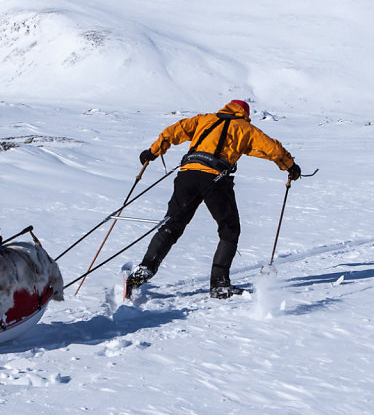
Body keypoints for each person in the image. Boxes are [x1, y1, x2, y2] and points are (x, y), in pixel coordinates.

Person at [126, 99, 300, 299]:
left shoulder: (204, 119)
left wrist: (153, 152)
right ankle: (219, 285)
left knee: (172, 225)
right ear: (245, 113)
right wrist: (290, 166)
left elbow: (173, 131)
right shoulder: (245, 128)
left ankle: (144, 270)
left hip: (187, 174)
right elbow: (272, 149)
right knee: (229, 230)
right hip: (215, 178)